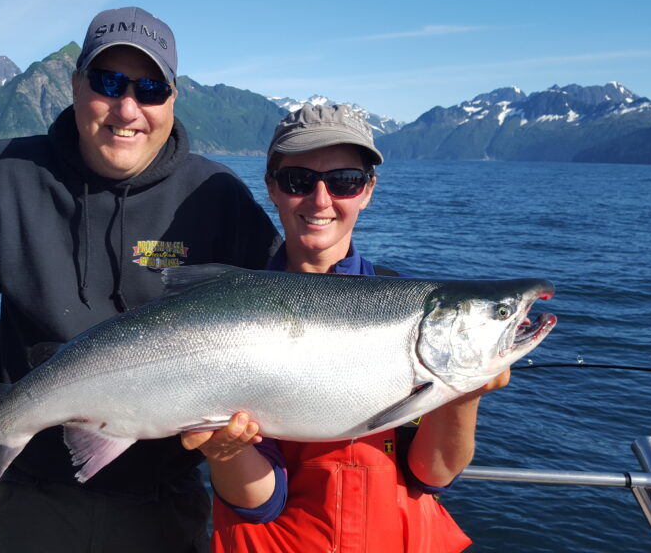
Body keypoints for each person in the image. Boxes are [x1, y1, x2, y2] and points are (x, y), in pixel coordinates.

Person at [0, 6, 279, 552]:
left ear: (171, 99)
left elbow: (285, 308)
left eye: (148, 89)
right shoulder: (2, 175)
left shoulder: (217, 196)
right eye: (108, 82)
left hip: (165, 503)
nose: (127, 108)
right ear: (74, 86)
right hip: (33, 495)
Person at [182, 104, 509, 552]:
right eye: (299, 180)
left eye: (344, 181)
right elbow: (261, 502)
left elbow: (432, 473)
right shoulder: (236, 324)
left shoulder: (411, 312)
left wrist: (462, 392)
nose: (321, 200)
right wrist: (226, 450)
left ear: (368, 190)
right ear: (272, 188)